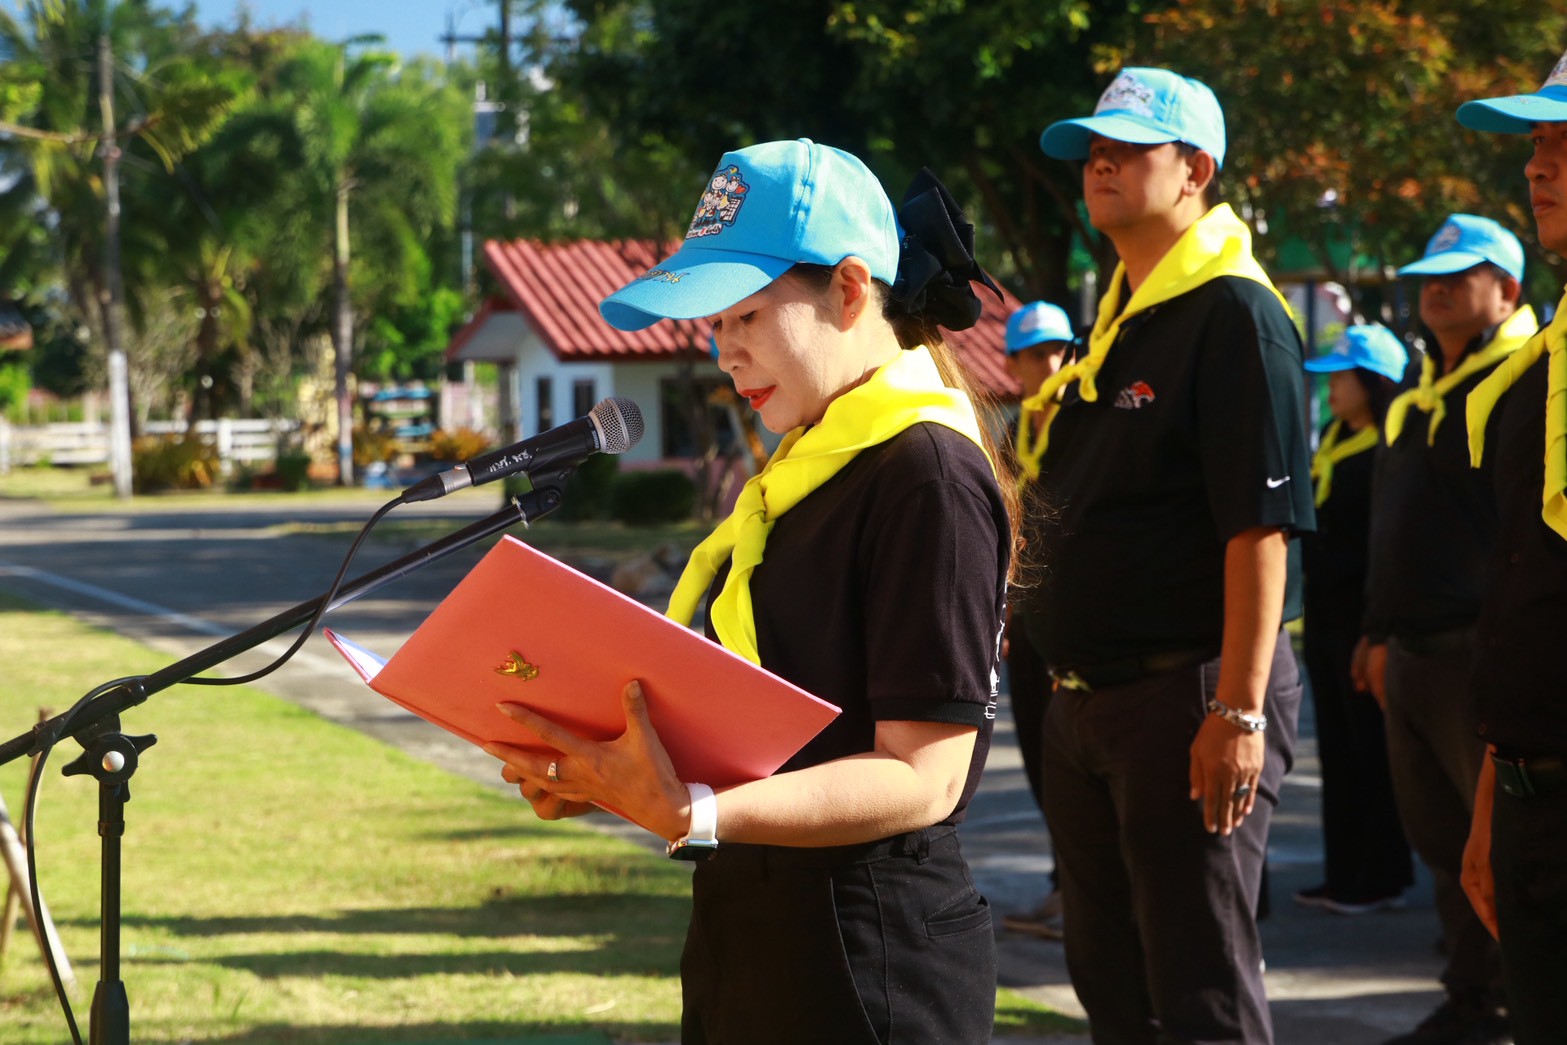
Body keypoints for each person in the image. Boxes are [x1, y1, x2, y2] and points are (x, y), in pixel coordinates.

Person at [482, 138, 1018, 1044]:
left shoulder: (923, 472)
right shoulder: (807, 463)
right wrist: (614, 775)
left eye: (748, 316)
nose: (725, 354)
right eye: (715, 325)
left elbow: (923, 776)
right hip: (754, 921)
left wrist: (695, 811)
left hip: (867, 955)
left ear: (850, 288)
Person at [1030, 67, 1314, 1043]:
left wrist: (1236, 710)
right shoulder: (1122, 317)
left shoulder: (1234, 313)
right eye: (1091, 151)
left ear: (1194, 170)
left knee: (1200, 991)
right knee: (1111, 987)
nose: (1098, 165)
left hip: (1187, 694)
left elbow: (1259, 528)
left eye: (1126, 149)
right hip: (1088, 700)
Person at [1356, 214, 1533, 1045]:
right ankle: (1471, 1000)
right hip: (1410, 657)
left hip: (1480, 656)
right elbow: (1389, 526)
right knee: (1439, 839)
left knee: (1500, 848)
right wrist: (1374, 631)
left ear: (1507, 288)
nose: (1436, 289)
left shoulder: (1525, 384)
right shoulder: (1415, 394)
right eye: (1429, 275)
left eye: (1459, 275)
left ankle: (1512, 1006)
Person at [1455, 56, 1567, 1045]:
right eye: (1535, 144)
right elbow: (1523, 599)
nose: (1537, 166)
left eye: (1566, 144)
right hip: (1531, 798)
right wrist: (1498, 794)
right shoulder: (1532, 379)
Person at [1294, 325, 1415, 916]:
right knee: (1338, 750)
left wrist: (1376, 629)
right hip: (1325, 620)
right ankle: (1343, 872)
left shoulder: (1388, 452)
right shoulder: (1334, 443)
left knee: (1371, 749)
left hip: (1363, 622)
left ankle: (1381, 875)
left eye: (1341, 377)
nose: (1332, 389)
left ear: (1374, 382)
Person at [998, 299, 1075, 942]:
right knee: (1041, 760)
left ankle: (1088, 891)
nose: (1049, 365)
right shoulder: (1007, 436)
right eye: (1035, 354)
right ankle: (1065, 882)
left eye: (1058, 351)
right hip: (1023, 626)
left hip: (1077, 629)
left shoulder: (1088, 426)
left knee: (1079, 758)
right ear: (1013, 366)